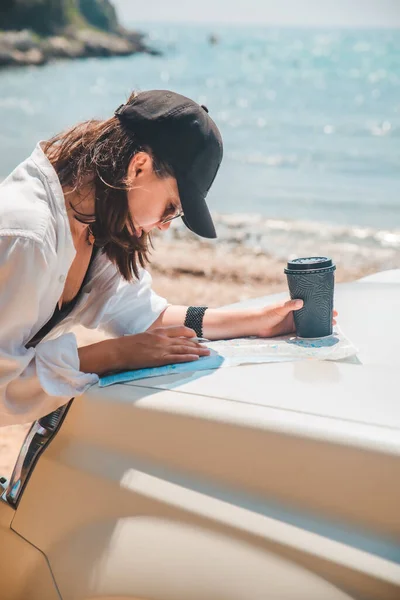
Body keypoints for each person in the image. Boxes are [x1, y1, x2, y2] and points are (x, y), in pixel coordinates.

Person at [0, 89, 337, 426]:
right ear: (139, 167)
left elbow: (146, 315)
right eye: (171, 208)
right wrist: (116, 354)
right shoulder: (29, 235)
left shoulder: (93, 224)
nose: (163, 226)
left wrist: (257, 321)